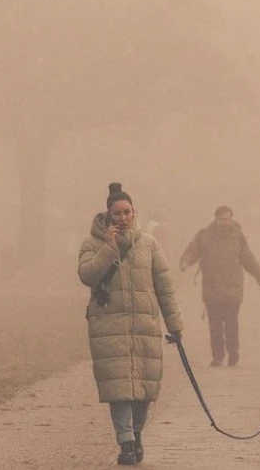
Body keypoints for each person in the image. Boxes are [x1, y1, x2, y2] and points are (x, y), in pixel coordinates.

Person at [78, 182, 184, 466]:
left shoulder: (149, 244)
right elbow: (87, 275)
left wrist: (175, 325)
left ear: (134, 212)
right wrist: (109, 249)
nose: (122, 218)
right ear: (108, 215)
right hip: (109, 327)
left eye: (127, 212)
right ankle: (125, 442)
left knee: (144, 392)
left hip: (144, 327)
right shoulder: (92, 244)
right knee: (120, 390)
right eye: (117, 213)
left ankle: (136, 433)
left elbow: (165, 287)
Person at [179, 205, 260, 367]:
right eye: (222, 219)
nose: (225, 222)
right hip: (212, 289)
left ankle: (233, 352)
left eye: (228, 219)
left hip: (233, 288)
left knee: (231, 323)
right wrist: (185, 262)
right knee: (215, 326)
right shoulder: (204, 236)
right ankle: (218, 356)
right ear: (216, 218)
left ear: (232, 219)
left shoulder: (237, 237)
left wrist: (258, 274)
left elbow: (248, 258)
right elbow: (192, 251)